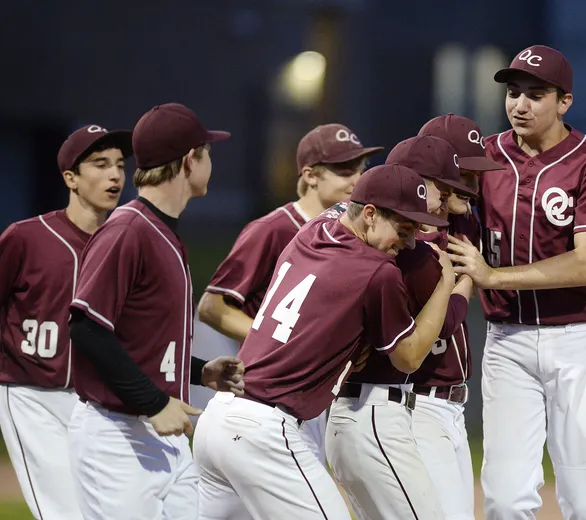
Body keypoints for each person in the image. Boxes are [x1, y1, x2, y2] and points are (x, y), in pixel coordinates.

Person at [193, 164, 455, 520]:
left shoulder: (311, 229)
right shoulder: (379, 272)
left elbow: (339, 212)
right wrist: (445, 287)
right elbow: (408, 357)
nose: (409, 242)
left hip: (217, 423)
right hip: (264, 432)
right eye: (404, 228)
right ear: (370, 214)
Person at [449, 45, 586, 520]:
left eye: (535, 94)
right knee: (505, 500)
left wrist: (491, 276)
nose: (520, 104)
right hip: (507, 340)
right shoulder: (483, 156)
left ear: (564, 102)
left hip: (577, 341)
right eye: (513, 92)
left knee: (584, 503)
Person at [67, 103, 244, 520]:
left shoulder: (160, 230)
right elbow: (86, 328)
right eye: (207, 152)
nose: (210, 162)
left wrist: (199, 371)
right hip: (116, 434)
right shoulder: (128, 228)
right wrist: (153, 401)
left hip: (159, 428)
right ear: (188, 161)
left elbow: (142, 342)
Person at [198, 123, 381, 467]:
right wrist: (275, 339)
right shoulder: (273, 228)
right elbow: (211, 306)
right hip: (264, 395)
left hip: (313, 396)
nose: (357, 179)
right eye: (344, 170)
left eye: (361, 169)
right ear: (310, 175)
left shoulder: (354, 237)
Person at [324, 134, 473, 520]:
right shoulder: (414, 254)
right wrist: (461, 279)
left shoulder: (325, 232)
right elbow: (425, 342)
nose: (443, 202)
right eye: (442, 189)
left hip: (355, 411)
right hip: (377, 411)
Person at [0, 124, 131, 520]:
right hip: (31, 395)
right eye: (100, 164)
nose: (114, 175)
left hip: (98, 404)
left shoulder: (127, 242)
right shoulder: (26, 238)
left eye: (121, 166)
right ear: (70, 178)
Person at [409, 114, 505, 520]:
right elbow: (439, 322)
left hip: (450, 406)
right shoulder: (409, 233)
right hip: (415, 401)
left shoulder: (464, 219)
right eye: (463, 171)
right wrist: (467, 281)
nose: (472, 181)